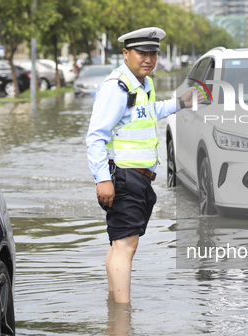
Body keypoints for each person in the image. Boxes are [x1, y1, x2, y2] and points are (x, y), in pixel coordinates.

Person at [86, 27, 200, 303]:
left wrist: (180, 103)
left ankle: (115, 311)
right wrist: (102, 179)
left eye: (153, 54)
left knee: (119, 245)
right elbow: (95, 137)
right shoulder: (117, 88)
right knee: (126, 246)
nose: (148, 59)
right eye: (142, 53)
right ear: (126, 54)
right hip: (125, 177)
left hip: (136, 178)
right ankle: (123, 318)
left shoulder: (141, 86)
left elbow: (149, 112)